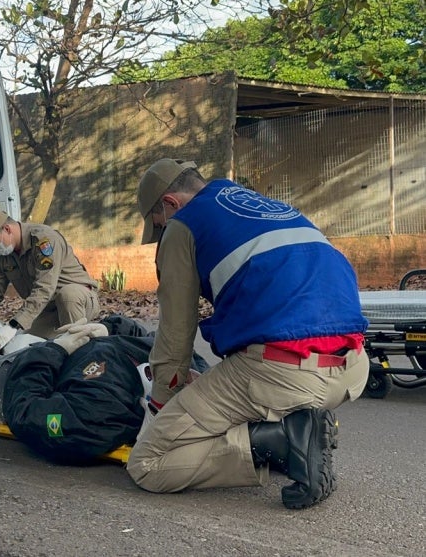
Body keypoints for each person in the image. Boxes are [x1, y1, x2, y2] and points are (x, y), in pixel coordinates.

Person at [127, 158, 369, 509]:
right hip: (352, 369)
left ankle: (280, 442)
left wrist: (163, 400)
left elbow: (176, 331)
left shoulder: (183, 225)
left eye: (158, 225)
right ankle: (297, 433)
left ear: (170, 204)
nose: (163, 231)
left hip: (282, 373)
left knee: (147, 464)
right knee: (234, 383)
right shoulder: (266, 207)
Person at [0, 315, 208, 464]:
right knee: (24, 341)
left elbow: (27, 411)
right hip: (50, 353)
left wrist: (56, 351)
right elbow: (136, 330)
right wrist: (106, 326)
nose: (190, 376)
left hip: (1, 384)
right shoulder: (181, 360)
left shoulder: (100, 416)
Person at [0, 210, 100, 354]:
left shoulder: (44, 241)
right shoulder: (2, 257)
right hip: (47, 309)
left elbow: (44, 288)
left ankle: (83, 357)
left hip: (80, 300)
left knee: (68, 296)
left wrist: (13, 324)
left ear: (7, 229)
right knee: (22, 347)